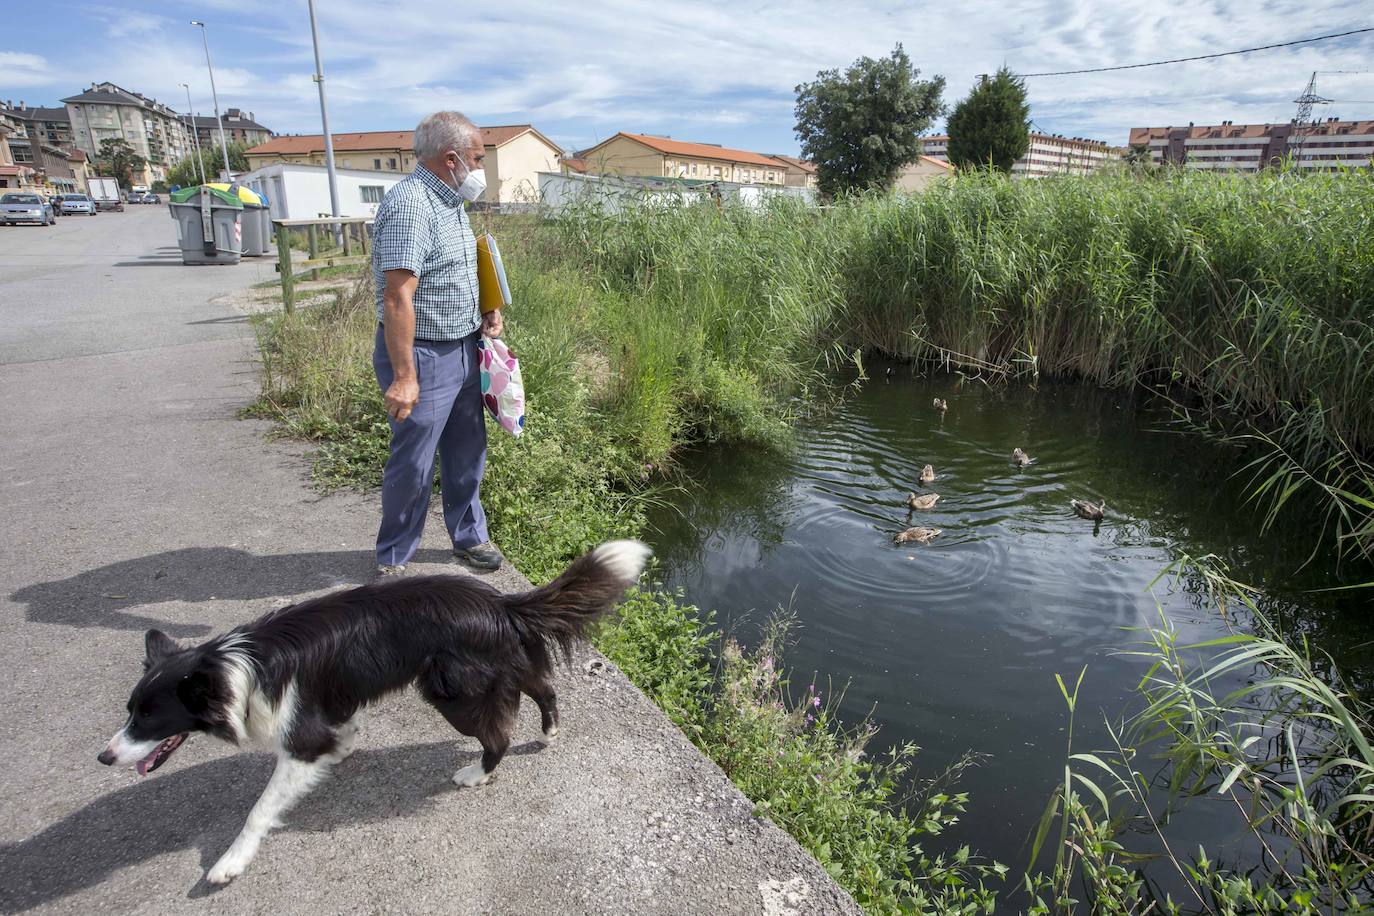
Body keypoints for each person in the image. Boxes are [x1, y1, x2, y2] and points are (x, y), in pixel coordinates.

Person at [369, 110, 504, 577]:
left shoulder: (449, 204)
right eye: (477, 158)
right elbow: (397, 295)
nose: (480, 168)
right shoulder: (412, 205)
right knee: (416, 461)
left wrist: (487, 308)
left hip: (464, 346)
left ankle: (468, 536)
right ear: (452, 159)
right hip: (423, 355)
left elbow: (456, 270)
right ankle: (394, 560)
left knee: (468, 450)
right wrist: (405, 376)